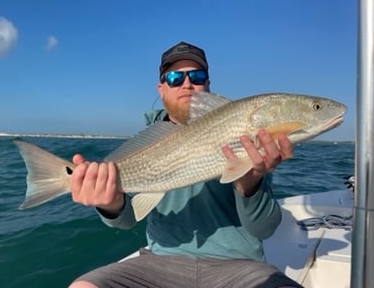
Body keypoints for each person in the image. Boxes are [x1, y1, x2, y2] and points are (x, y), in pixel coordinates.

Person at [68, 41, 303, 288]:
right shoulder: (145, 145)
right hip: (159, 265)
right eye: (175, 78)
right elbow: (127, 220)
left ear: (208, 85)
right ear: (161, 88)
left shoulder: (245, 137)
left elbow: (263, 228)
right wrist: (110, 204)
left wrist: (250, 182)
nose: (187, 83)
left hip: (238, 267)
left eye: (197, 76)